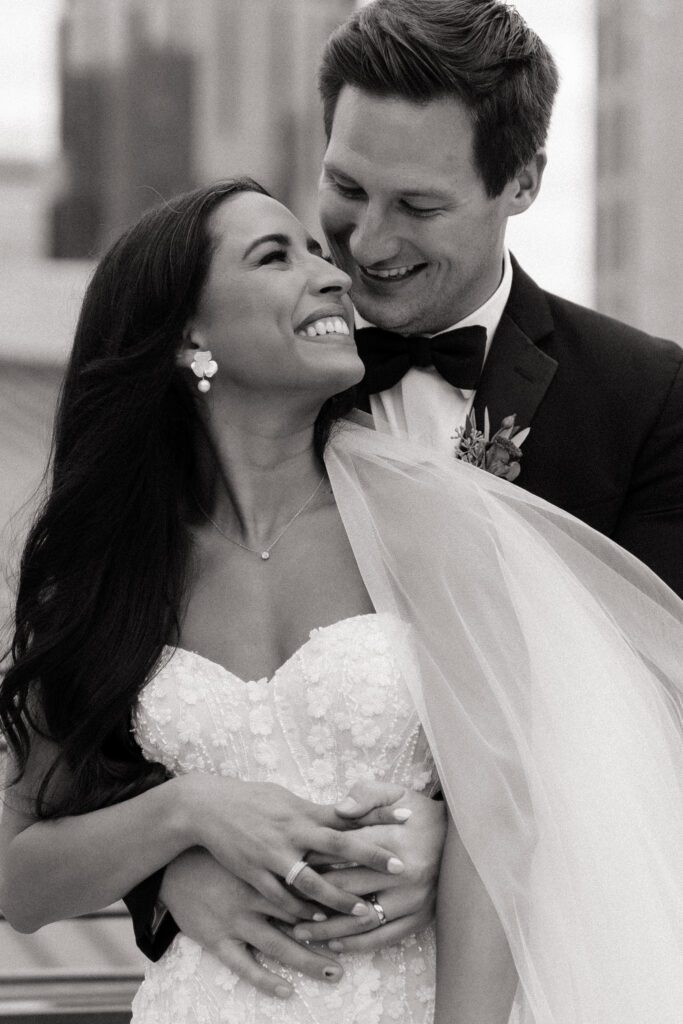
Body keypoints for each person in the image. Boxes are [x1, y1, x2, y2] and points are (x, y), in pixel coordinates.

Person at [1, 180, 681, 1024]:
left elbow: (497, 825)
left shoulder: (431, 522)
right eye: (274, 256)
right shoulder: (109, 569)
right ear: (188, 335)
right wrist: (188, 812)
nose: (331, 277)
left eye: (316, 254)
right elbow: (20, 879)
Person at [129, 0, 683, 974]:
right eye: (345, 186)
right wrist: (170, 868)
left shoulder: (643, 397)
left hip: (550, 960)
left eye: (417, 206)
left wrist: (458, 835)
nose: (366, 241)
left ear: (520, 182)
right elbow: (103, 705)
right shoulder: (254, 368)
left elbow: (653, 714)